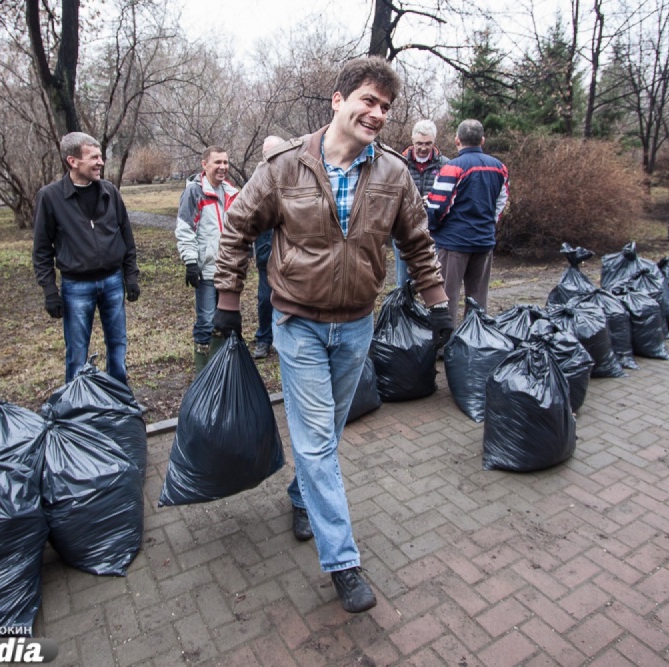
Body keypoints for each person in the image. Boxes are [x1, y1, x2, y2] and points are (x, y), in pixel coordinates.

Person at [212, 57, 453, 614]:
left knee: (329, 433)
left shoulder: (392, 174)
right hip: (296, 325)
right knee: (318, 442)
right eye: (368, 101)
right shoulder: (284, 165)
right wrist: (228, 302)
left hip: (356, 326)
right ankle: (343, 561)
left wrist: (440, 306)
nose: (377, 114)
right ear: (338, 100)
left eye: (386, 108)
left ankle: (302, 496)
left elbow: (417, 244)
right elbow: (237, 228)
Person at [32, 131, 140, 386]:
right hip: (76, 287)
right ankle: (76, 407)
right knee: (77, 353)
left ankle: (120, 398)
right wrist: (50, 291)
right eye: (94, 157)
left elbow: (126, 235)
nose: (101, 162)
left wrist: (131, 275)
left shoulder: (109, 192)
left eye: (100, 156)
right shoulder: (51, 197)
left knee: (117, 345)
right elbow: (42, 250)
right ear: (73, 161)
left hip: (112, 282)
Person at [427, 119, 509, 325]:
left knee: (447, 297)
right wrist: (489, 225)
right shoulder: (500, 168)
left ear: (457, 140)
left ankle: (444, 347)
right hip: (484, 242)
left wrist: (435, 230)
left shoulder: (452, 168)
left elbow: (436, 206)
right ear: (482, 140)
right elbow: (501, 201)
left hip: (453, 243)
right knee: (478, 298)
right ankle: (476, 343)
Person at [175, 146, 238, 370]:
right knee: (206, 322)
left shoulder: (232, 192)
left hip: (229, 271)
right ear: (204, 165)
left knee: (226, 322)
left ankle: (220, 371)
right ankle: (204, 375)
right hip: (207, 270)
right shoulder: (195, 192)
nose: (222, 167)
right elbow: (185, 228)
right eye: (217, 162)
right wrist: (191, 262)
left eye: (226, 162)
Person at [394, 119, 449, 287]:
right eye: (419, 143)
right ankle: (403, 311)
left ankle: (429, 312)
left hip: (434, 230)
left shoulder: (445, 164)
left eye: (428, 143)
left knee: (432, 280)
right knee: (403, 281)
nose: (423, 148)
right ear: (412, 140)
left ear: (434, 141)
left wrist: (433, 200)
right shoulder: (398, 163)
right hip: (405, 228)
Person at [252, 135, 285, 360]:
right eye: (268, 152)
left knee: (288, 298)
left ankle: (283, 339)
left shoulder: (293, 173)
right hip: (265, 246)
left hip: (289, 247)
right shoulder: (256, 179)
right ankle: (264, 338)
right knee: (266, 298)